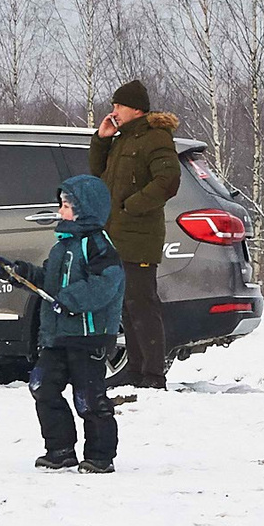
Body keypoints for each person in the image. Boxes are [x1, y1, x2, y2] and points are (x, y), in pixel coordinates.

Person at [0, 173, 125, 473]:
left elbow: (107, 283)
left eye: (66, 206)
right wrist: (18, 273)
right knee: (42, 386)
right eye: (61, 205)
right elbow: (47, 284)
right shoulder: (61, 247)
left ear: (85, 208)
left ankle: (100, 455)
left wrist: (71, 299)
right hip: (57, 335)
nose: (60, 212)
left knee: (88, 399)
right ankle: (60, 449)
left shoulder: (97, 244)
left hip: (88, 334)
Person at [90, 80, 181, 389]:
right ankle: (136, 369)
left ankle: (154, 374)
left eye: (119, 106)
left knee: (143, 304)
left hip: (139, 234)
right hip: (115, 234)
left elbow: (168, 180)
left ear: (136, 109)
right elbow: (97, 174)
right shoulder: (121, 139)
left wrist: (132, 206)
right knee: (126, 305)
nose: (113, 110)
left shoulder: (155, 138)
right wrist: (102, 139)